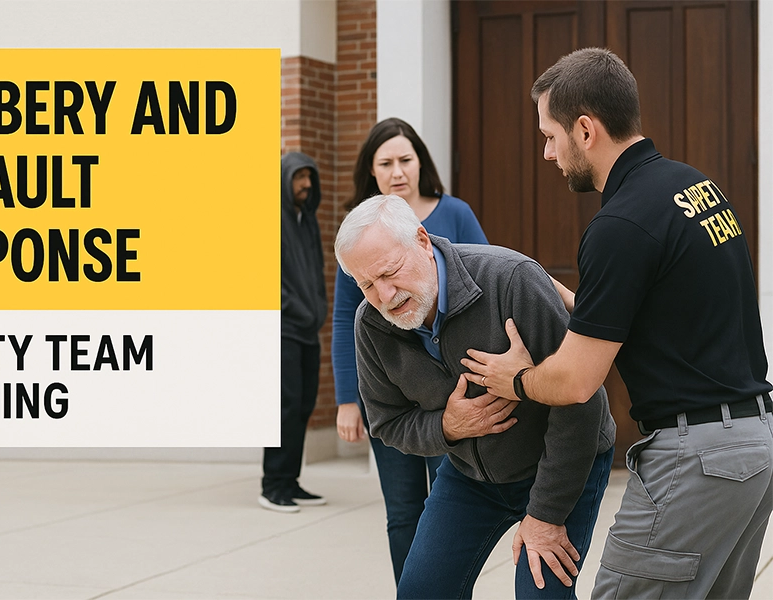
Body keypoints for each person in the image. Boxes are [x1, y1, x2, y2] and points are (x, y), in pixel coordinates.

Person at [464, 48, 773, 599]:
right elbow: (674, 311)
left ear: (585, 130)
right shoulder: (697, 188)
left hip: (696, 459)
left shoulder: (620, 223)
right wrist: (580, 304)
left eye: (550, 135)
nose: (546, 152)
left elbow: (576, 382)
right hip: (752, 445)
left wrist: (516, 379)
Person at [335, 194, 616, 599]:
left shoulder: (511, 279)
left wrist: (546, 514)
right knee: (421, 593)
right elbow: (386, 422)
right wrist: (446, 427)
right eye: (367, 285)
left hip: (560, 464)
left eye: (390, 272)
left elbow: (581, 401)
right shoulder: (371, 325)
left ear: (422, 240)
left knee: (540, 595)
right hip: (470, 475)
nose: (385, 295)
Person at [331, 117, 488, 582]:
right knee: (402, 511)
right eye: (386, 163)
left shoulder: (455, 213)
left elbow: (486, 287)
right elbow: (345, 318)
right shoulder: (358, 235)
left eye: (405, 159)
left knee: (448, 504)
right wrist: (347, 398)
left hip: (448, 393)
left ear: (421, 162)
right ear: (371, 171)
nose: (397, 171)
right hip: (393, 393)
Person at [262, 151, 328, 513]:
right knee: (284, 407)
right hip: (283, 328)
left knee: (303, 405)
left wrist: (317, 307)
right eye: (299, 177)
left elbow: (316, 271)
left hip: (307, 328)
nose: (305, 184)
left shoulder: (308, 220)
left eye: (309, 177)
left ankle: (290, 480)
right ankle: (273, 484)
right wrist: (296, 308)